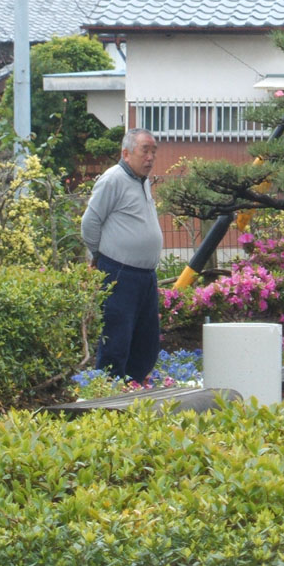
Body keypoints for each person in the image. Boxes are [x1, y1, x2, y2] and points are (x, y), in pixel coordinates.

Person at [81, 128, 163, 382]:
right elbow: (90, 223)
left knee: (146, 342)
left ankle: (134, 390)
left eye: (153, 151)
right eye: (144, 151)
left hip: (145, 275)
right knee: (116, 338)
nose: (150, 157)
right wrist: (99, 255)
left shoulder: (143, 181)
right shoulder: (112, 179)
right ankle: (109, 394)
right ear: (126, 153)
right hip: (119, 271)